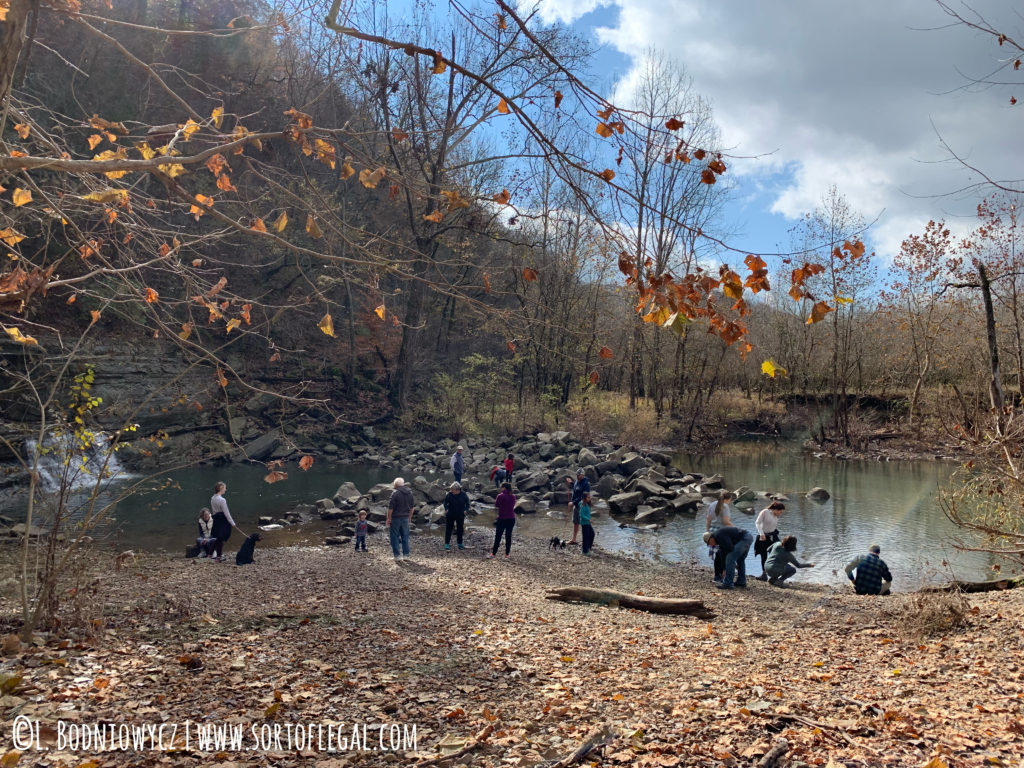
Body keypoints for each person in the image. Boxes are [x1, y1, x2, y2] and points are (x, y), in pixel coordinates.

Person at [210, 482, 245, 562]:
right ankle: (218, 556)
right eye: (225, 488)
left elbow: (214, 511)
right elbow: (226, 513)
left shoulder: (212, 498)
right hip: (222, 520)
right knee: (221, 538)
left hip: (216, 519)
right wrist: (233, 523)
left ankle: (211, 554)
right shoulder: (222, 500)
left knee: (218, 538)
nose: (225, 489)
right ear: (221, 488)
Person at [705, 491, 735, 582]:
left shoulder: (712, 504)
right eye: (730, 500)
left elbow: (708, 519)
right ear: (728, 499)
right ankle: (723, 576)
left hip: (713, 532)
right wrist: (735, 528)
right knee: (723, 555)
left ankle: (717, 576)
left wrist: (707, 531)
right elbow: (726, 521)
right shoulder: (725, 506)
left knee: (717, 555)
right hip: (722, 533)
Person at [754, 501, 785, 580]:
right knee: (763, 556)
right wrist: (761, 533)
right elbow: (757, 523)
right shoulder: (765, 512)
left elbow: (772, 528)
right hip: (763, 536)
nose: (780, 514)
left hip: (772, 537)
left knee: (776, 555)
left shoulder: (775, 516)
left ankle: (774, 575)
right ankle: (764, 574)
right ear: (776, 509)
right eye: (780, 512)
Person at [386, 477, 415, 562]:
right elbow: (412, 508)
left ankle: (397, 556)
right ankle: (406, 555)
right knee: (405, 536)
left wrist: (388, 518)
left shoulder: (395, 494)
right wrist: (410, 518)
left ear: (396, 485)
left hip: (396, 518)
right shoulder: (410, 493)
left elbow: (390, 508)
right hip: (405, 517)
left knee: (394, 536)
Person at [488, 482, 516, 559]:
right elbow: (512, 505)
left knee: (498, 536)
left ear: (504, 488)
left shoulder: (500, 496)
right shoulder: (513, 496)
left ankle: (493, 554)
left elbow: (497, 505)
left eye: (501, 487)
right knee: (508, 536)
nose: (501, 489)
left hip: (502, 518)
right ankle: (507, 554)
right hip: (511, 518)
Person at [443, 481, 470, 551]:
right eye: (451, 489)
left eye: (452, 490)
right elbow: (445, 502)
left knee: (460, 529)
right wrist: (446, 509)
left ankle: (460, 543)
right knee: (449, 529)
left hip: (460, 514)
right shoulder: (449, 494)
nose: (451, 491)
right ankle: (446, 544)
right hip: (450, 513)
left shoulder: (463, 494)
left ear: (457, 490)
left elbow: (468, 503)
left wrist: (466, 510)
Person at [568, 468, 590, 545]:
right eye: (576, 475)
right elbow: (575, 488)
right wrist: (571, 483)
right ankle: (574, 539)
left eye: (579, 475)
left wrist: (573, 502)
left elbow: (583, 496)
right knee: (575, 522)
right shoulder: (577, 481)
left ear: (582, 475)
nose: (577, 476)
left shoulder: (586, 484)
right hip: (576, 505)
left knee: (584, 523)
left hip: (582, 506)